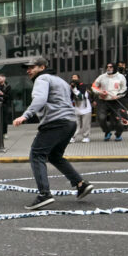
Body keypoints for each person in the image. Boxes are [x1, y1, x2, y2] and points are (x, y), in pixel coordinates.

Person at [12, 56, 94, 210]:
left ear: (42, 67)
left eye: (32, 67)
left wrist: (25, 115)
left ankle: (44, 194)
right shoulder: (60, 81)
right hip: (69, 122)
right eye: (27, 68)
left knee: (36, 155)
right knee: (55, 156)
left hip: (55, 122)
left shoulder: (42, 79)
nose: (28, 71)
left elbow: (40, 99)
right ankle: (80, 184)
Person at [91, 62, 127, 141]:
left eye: (110, 67)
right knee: (101, 118)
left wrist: (118, 95)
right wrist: (100, 92)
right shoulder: (102, 77)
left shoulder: (121, 77)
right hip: (104, 101)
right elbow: (94, 86)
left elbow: (124, 89)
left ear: (114, 68)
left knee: (119, 120)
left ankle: (118, 134)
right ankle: (107, 132)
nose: (108, 68)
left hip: (116, 101)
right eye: (107, 67)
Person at [70, 73, 93, 143]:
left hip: (85, 109)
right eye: (72, 77)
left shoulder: (83, 86)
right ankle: (72, 137)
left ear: (78, 78)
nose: (73, 79)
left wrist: (74, 89)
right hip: (76, 108)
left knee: (86, 124)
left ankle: (86, 137)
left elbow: (81, 97)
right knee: (75, 124)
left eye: (75, 77)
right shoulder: (71, 87)